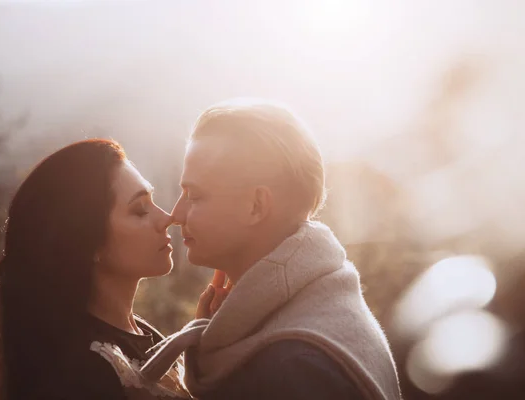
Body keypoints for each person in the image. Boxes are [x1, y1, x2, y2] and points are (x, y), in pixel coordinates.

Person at [142, 98, 402, 400]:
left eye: (195, 195)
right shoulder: (322, 308)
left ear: (256, 206)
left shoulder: (294, 368)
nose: (176, 213)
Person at [0, 139, 191, 400]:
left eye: (153, 201)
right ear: (89, 243)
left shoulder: (144, 335)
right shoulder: (81, 371)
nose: (166, 218)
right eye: (140, 210)